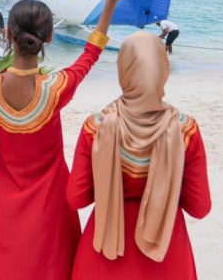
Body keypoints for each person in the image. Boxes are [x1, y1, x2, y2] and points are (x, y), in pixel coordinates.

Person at [0, 0, 144, 280]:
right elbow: (91, 53)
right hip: (51, 206)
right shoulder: (56, 88)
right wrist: (111, 0)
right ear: (49, 38)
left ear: (7, 33)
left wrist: (7, 141)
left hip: (3, 205)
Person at [67, 32, 211, 279]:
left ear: (123, 69)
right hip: (165, 255)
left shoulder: (96, 128)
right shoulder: (186, 131)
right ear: (162, 70)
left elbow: (76, 198)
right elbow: (200, 208)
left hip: (104, 254)